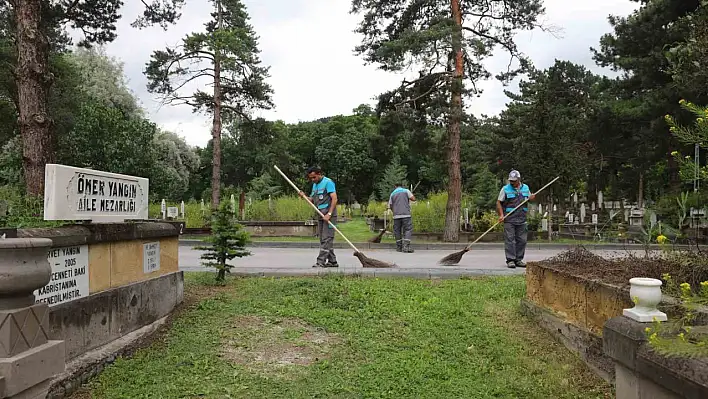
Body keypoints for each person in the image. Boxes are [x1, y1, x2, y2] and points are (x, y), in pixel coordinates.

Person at [299, 166, 338, 268]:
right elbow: (311, 200)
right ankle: (332, 261)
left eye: (314, 177)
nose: (313, 180)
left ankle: (320, 262)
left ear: (319, 174)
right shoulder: (315, 185)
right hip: (320, 215)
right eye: (311, 178)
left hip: (329, 216)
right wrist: (304, 196)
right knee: (323, 239)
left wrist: (329, 214)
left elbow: (334, 199)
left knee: (326, 238)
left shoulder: (328, 182)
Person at [496, 170, 535, 268]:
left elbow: (529, 198)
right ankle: (510, 260)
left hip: (522, 218)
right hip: (509, 218)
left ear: (519, 179)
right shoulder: (505, 189)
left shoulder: (526, 188)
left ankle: (519, 260)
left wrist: (531, 198)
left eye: (514, 181)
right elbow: (498, 202)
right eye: (510, 180)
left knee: (522, 240)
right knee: (510, 240)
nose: (512, 182)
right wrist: (501, 215)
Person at [388, 183, 416, 253]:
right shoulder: (406, 191)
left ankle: (399, 247)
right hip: (406, 214)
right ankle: (406, 247)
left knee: (397, 231)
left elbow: (390, 205)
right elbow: (413, 199)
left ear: (395, 186)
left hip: (396, 215)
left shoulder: (392, 194)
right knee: (407, 229)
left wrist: (394, 211)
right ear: (401, 186)